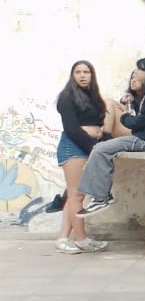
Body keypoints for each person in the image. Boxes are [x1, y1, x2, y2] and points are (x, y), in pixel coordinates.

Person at [76, 58, 145, 217]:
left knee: (101, 150)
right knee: (100, 149)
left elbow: (143, 120)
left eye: (140, 70)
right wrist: (132, 102)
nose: (136, 73)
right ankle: (101, 194)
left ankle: (100, 198)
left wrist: (124, 118)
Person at [53, 60, 109, 253]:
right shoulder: (67, 97)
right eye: (78, 72)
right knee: (77, 194)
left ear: (92, 75)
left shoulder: (93, 96)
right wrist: (93, 147)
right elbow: (71, 129)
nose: (83, 75)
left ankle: (62, 238)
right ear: (72, 75)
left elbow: (98, 125)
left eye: (86, 72)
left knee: (75, 195)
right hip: (74, 147)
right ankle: (81, 240)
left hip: (87, 147)